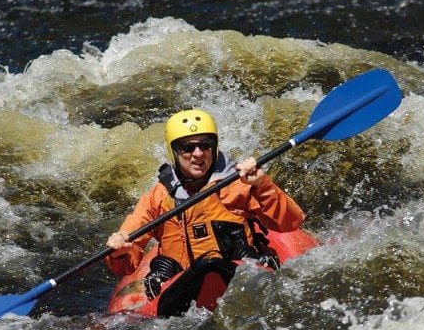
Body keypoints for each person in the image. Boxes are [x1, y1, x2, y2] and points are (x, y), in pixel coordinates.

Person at [105, 108, 305, 299]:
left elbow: (290, 223)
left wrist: (262, 185)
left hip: (238, 272)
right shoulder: (157, 197)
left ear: (214, 147)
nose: (198, 153)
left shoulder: (239, 183)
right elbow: (125, 265)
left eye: (205, 145)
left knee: (241, 255)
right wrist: (120, 252)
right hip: (183, 283)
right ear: (173, 152)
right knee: (162, 266)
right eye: (188, 147)